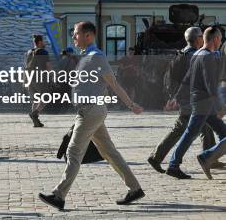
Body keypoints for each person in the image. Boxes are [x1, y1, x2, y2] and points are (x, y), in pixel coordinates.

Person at [39, 21, 144, 211]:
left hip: (90, 111)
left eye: (76, 34)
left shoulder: (97, 57)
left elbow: (113, 84)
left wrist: (131, 104)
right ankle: (135, 188)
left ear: (88, 35)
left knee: (73, 152)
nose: (73, 37)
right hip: (88, 111)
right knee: (108, 151)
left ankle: (59, 195)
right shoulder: (86, 56)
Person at [147, 27, 216, 173]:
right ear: (198, 39)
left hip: (187, 98)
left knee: (205, 126)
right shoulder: (195, 56)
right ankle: (158, 158)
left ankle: (211, 158)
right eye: (201, 37)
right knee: (182, 129)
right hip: (191, 99)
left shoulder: (182, 52)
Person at [167, 26, 226, 179]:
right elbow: (210, 84)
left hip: (203, 103)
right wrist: (220, 107)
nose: (221, 42)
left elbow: (187, 79)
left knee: (223, 133)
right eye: (220, 39)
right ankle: (175, 165)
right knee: (189, 134)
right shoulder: (207, 57)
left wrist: (176, 97)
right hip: (203, 103)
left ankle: (209, 157)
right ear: (215, 40)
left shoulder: (198, 54)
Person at [26, 34, 52, 127]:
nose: (44, 43)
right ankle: (35, 114)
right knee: (45, 98)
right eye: (43, 41)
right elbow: (48, 66)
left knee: (36, 100)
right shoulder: (43, 52)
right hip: (40, 78)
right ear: (40, 42)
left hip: (30, 79)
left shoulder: (29, 52)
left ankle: (36, 122)